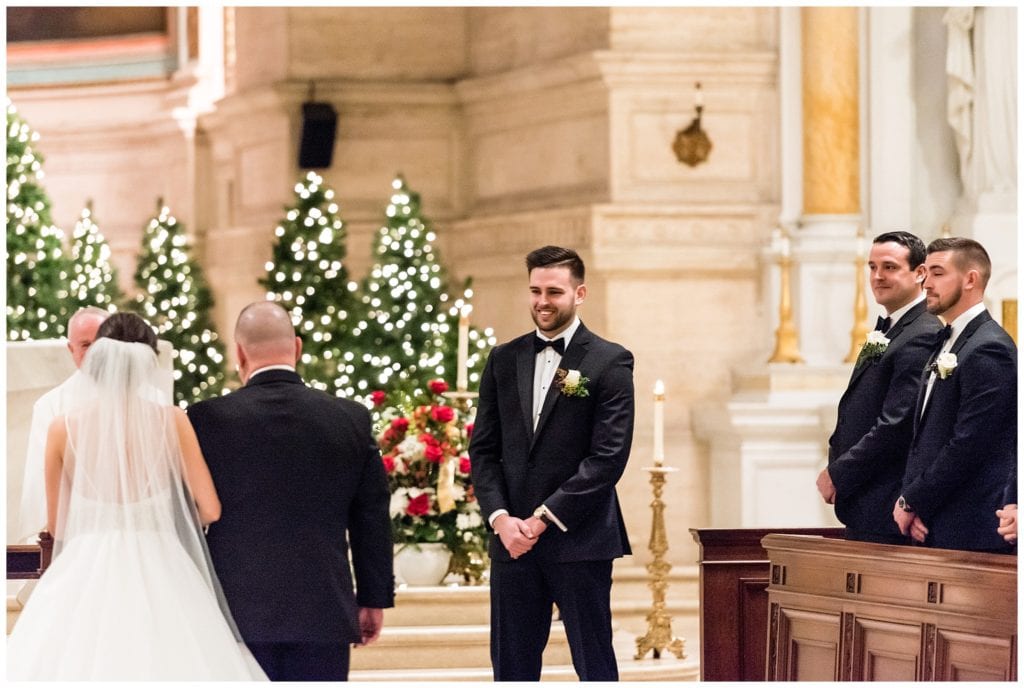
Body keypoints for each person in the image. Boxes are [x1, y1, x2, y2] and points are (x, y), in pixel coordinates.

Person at [7, 312, 266, 680]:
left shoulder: (62, 428)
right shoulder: (172, 421)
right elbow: (210, 508)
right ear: (147, 360)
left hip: (85, 566)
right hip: (164, 564)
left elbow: (58, 525)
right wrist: (160, 519)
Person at [187, 301, 394, 681]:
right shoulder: (350, 417)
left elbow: (189, 512)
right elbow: (372, 517)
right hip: (324, 608)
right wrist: (372, 598)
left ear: (238, 353)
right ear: (297, 348)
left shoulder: (205, 419)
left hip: (235, 610)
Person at [469, 245, 635, 681]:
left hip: (579, 538)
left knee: (594, 661)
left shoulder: (609, 360)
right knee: (512, 667)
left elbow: (608, 458)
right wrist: (501, 519)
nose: (543, 301)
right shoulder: (504, 359)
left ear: (579, 294)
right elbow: (483, 450)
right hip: (511, 542)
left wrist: (543, 519)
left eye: (554, 292)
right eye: (535, 290)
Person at [816, 232, 942, 544]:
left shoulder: (922, 333)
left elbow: (896, 424)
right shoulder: (891, 328)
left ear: (919, 273)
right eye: (872, 267)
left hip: (887, 501)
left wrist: (839, 473)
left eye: (889, 267)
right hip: (867, 499)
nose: (877, 276)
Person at [893, 237, 1017, 552]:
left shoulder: (989, 347)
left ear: (970, 279)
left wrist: (913, 501)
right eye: (924, 272)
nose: (926, 283)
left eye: (937, 273)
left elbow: (969, 442)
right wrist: (917, 503)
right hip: (938, 517)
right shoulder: (946, 340)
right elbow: (926, 434)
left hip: (969, 524)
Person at [15, 306, 110, 543]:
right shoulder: (51, 406)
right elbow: (40, 482)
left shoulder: (151, 398)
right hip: (76, 534)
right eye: (86, 345)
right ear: (71, 349)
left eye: (103, 342)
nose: (96, 352)